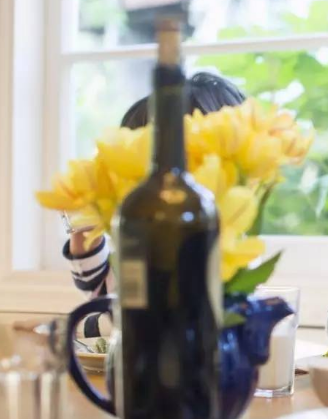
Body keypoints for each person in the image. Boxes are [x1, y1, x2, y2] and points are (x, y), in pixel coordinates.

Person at [65, 72, 245, 337]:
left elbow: (131, 317)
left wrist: (84, 328)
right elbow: (98, 287)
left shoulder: (217, 233)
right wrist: (83, 221)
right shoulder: (145, 226)